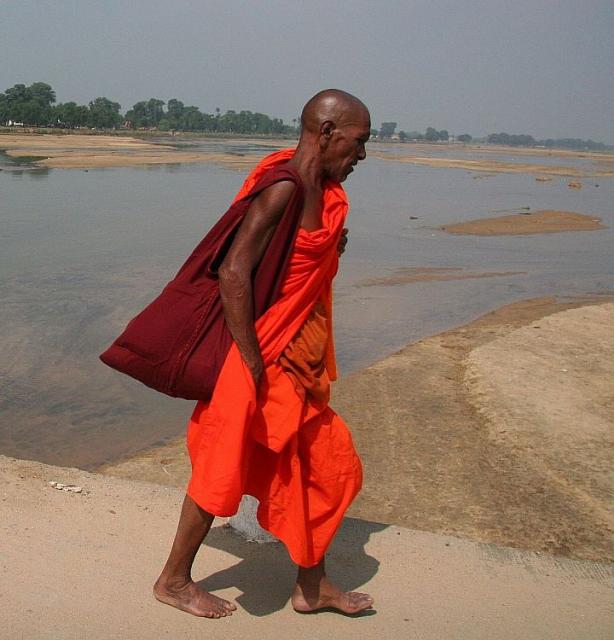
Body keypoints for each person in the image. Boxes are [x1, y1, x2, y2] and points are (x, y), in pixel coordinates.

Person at [153, 89, 373, 618]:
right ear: (326, 132)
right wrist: (252, 361)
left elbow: (296, 264)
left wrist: (328, 251)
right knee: (222, 463)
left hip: (295, 360)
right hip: (258, 357)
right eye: (359, 141)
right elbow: (233, 271)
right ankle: (174, 581)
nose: (363, 154)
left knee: (323, 466)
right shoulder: (283, 188)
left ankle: (312, 586)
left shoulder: (324, 192)